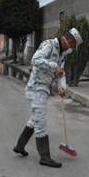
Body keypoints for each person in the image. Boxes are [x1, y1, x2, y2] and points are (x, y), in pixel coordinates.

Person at [12, 28, 81, 168]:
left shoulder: (62, 55)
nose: (72, 49)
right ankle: (45, 157)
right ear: (69, 41)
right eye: (73, 46)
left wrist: (62, 88)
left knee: (34, 120)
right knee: (41, 122)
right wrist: (54, 66)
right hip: (36, 88)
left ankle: (19, 146)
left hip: (43, 89)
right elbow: (35, 60)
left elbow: (61, 73)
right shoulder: (49, 45)